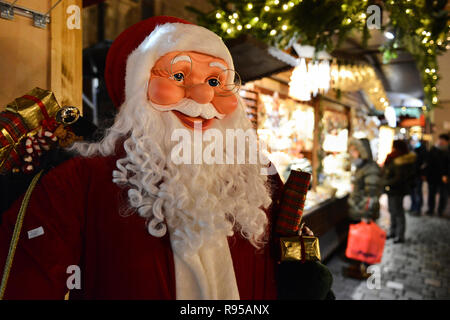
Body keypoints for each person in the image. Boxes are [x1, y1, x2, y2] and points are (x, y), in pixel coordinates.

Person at [0, 16, 333, 300]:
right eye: (178, 76)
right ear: (137, 91)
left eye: (216, 81)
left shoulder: (259, 176)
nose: (203, 96)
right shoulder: (76, 183)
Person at [345, 138, 382, 279]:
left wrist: (365, 213)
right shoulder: (362, 167)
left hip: (364, 212)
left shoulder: (370, 168)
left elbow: (371, 194)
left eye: (354, 150)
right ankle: (357, 266)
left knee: (365, 241)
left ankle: (363, 269)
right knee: (359, 240)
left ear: (362, 152)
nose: (352, 153)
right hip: (358, 210)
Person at [382, 140, 417, 243]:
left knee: (398, 211)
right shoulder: (393, 157)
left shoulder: (402, 159)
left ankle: (400, 235)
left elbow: (399, 177)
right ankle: (393, 231)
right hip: (391, 188)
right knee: (392, 210)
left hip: (397, 189)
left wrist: (386, 182)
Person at [424, 133, 449, 217]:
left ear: (447, 141)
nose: (441, 142)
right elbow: (429, 162)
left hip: (444, 177)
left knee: (443, 195)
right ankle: (431, 209)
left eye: (443, 140)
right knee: (431, 194)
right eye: (440, 139)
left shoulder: (448, 151)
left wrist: (446, 175)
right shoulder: (433, 149)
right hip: (433, 176)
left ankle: (440, 211)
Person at [408, 137, 427, 216]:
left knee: (418, 192)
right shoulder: (409, 149)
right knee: (412, 192)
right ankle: (413, 207)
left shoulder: (422, 149)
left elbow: (424, 164)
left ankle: (418, 209)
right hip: (411, 175)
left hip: (418, 175)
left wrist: (423, 174)